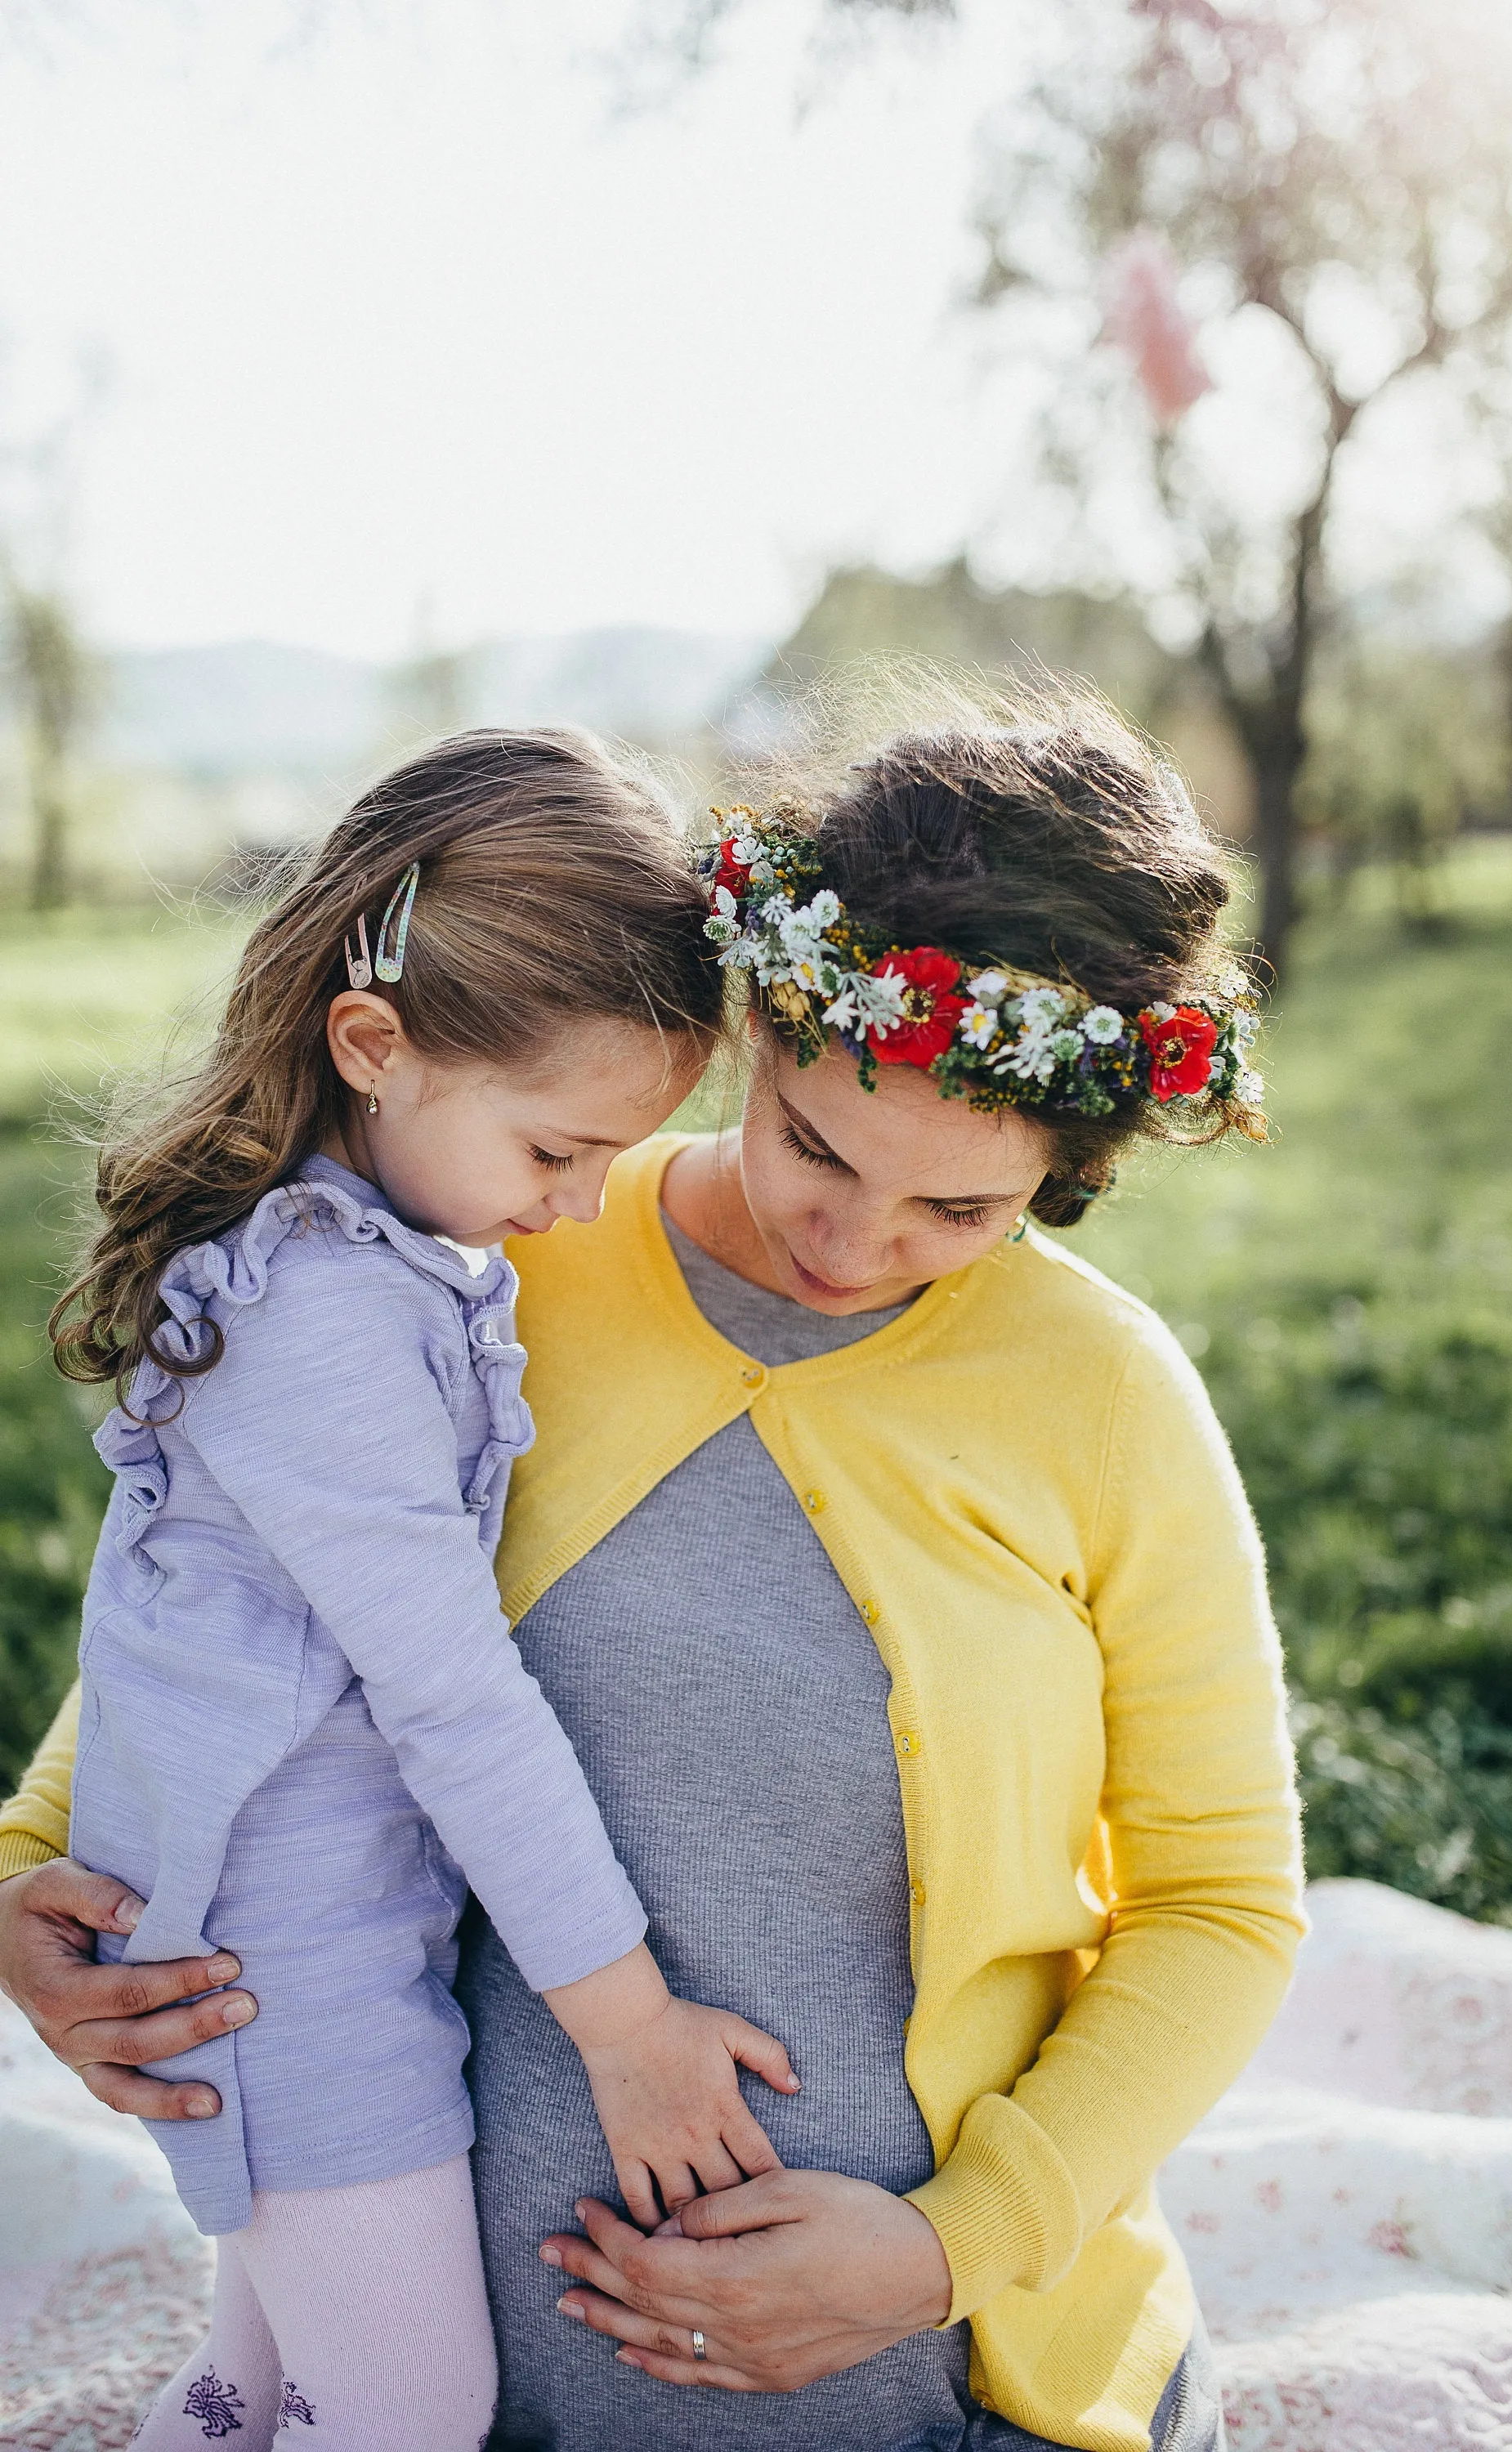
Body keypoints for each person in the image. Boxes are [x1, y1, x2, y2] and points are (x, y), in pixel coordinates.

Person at [1, 682, 1305, 2452]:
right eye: (816, 1146)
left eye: (960, 1212)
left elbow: (1221, 1898)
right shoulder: (509, 1225)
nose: (853, 1247)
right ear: (753, 1026)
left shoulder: (1104, 1400)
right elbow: (262, 1595)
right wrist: (37, 1877)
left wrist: (944, 2251)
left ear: (1067, 1177)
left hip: (957, 2389)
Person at [11, 729, 798, 2452]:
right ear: (371, 1044)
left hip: (305, 1914)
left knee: (259, 2383)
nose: (583, 1208)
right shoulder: (321, 1322)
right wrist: (629, 2023)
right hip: (278, 1953)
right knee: (410, 2409)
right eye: (553, 1153)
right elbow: (451, 1697)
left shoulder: (373, 1254)